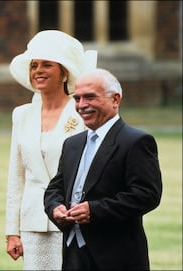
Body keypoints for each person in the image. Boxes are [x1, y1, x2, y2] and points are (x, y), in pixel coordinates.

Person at [44, 68, 162, 270]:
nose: (81, 105)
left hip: (117, 256)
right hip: (73, 254)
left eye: (90, 97)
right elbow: (55, 188)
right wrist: (55, 207)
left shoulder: (136, 141)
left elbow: (147, 195)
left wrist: (95, 210)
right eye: (77, 98)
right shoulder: (72, 144)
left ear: (115, 99)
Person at [5, 30, 97, 270]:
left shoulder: (82, 113)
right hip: (32, 222)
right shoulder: (22, 115)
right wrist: (12, 232)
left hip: (71, 217)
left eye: (47, 64)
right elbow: (16, 176)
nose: (38, 71)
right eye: (34, 65)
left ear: (64, 72)